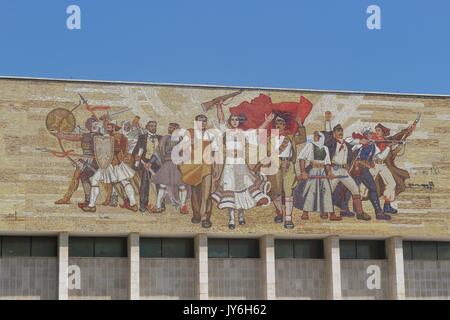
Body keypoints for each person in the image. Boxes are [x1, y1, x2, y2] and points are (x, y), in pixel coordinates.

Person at [211, 104, 271, 230]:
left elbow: (258, 132)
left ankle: (241, 216)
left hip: (241, 165)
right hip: (229, 166)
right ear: (230, 121)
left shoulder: (244, 133)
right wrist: (219, 106)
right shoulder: (225, 131)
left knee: (243, 190)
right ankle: (232, 219)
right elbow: (221, 120)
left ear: (239, 121)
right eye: (232, 119)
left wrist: (267, 122)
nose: (234, 122)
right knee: (231, 190)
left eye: (236, 119)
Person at [260, 112, 307, 229]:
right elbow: (258, 136)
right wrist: (266, 122)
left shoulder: (290, 137)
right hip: (274, 165)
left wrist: (300, 124)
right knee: (276, 192)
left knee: (288, 192)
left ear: (285, 124)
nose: (278, 124)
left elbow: (302, 138)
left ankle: (288, 219)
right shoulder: (269, 137)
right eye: (276, 122)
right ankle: (280, 213)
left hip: (288, 165)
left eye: (281, 122)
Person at [322, 112, 371, 220]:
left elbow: (356, 144)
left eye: (341, 131)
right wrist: (327, 121)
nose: (340, 132)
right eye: (338, 131)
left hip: (344, 171)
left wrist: (363, 142)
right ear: (334, 133)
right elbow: (328, 133)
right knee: (328, 191)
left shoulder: (346, 144)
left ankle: (360, 213)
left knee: (355, 189)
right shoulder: (331, 142)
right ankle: (325, 212)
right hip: (334, 170)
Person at [81, 121, 138, 212]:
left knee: (95, 180)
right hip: (115, 162)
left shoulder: (108, 137)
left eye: (110, 126)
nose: (108, 128)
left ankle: (91, 206)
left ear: (114, 128)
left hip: (109, 163)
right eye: (107, 126)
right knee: (125, 182)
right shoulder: (121, 137)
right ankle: (133, 204)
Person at [177, 114, 220, 229]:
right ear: (196, 122)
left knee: (206, 194)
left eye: (205, 121)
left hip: (207, 166)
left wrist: (215, 167)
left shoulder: (211, 135)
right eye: (200, 121)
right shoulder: (189, 134)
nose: (203, 123)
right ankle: (196, 215)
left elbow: (215, 152)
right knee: (195, 193)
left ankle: (206, 218)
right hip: (193, 168)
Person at [344, 131, 392, 220]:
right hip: (356, 168)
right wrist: (359, 141)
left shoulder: (374, 146)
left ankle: (377, 212)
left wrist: (388, 147)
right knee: (359, 189)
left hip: (364, 169)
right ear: (365, 135)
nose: (371, 135)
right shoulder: (359, 144)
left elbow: (380, 158)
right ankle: (378, 213)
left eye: (371, 134)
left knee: (354, 188)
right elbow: (347, 140)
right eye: (368, 134)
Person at [293, 131, 340, 221]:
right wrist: (303, 172)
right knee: (310, 191)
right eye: (315, 135)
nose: (315, 137)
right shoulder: (309, 145)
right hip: (313, 171)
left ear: (321, 137)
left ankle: (332, 214)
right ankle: (305, 213)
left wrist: (329, 172)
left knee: (326, 192)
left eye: (317, 136)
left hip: (322, 172)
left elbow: (327, 163)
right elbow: (302, 158)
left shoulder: (325, 148)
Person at [54, 116, 101, 206]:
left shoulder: (100, 136)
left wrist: (63, 136)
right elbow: (75, 137)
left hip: (95, 161)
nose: (95, 126)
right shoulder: (86, 135)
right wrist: (63, 136)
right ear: (89, 126)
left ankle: (66, 198)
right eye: (93, 124)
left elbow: (76, 137)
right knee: (84, 177)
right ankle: (88, 199)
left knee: (77, 176)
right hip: (86, 159)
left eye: (96, 124)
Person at [149, 123, 189, 214]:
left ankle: (183, 206)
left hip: (179, 165)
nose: (169, 129)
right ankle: (158, 206)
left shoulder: (182, 139)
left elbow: (186, 152)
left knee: (182, 185)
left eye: (171, 127)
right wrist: (150, 162)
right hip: (167, 164)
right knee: (163, 185)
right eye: (169, 127)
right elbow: (157, 152)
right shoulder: (165, 138)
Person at [132, 121, 163, 214]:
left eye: (154, 126)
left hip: (158, 164)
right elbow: (135, 151)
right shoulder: (142, 138)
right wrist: (136, 156)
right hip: (145, 164)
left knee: (160, 185)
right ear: (146, 127)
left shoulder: (161, 138)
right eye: (151, 126)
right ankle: (143, 205)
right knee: (145, 185)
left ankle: (160, 205)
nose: (153, 127)